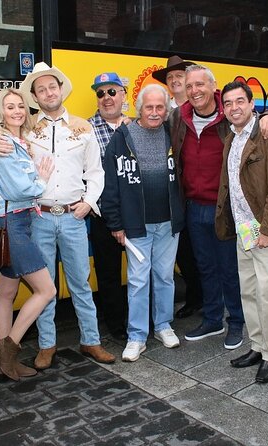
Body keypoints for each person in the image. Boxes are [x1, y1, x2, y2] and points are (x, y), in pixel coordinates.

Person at [0, 62, 115, 368]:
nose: (47, 92)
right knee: (45, 287)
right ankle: (47, 345)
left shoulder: (84, 128)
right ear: (36, 97)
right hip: (37, 218)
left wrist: (89, 202)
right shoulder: (27, 130)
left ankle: (91, 341)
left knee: (80, 282)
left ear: (60, 91)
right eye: (40, 89)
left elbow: (96, 173)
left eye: (51, 87)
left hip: (73, 216)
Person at [170, 64, 268, 350]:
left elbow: (259, 121)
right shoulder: (178, 117)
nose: (194, 91)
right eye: (189, 86)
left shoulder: (228, 118)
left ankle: (236, 322)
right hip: (194, 206)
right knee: (205, 267)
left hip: (226, 209)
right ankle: (212, 319)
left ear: (213, 87)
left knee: (231, 270)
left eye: (200, 85)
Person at [215, 81, 268, 384]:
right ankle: (258, 347)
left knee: (267, 295)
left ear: (251, 104)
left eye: (239, 102)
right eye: (228, 104)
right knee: (248, 292)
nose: (234, 108)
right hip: (243, 230)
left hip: (266, 233)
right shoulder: (231, 139)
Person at [101, 84, 184, 362]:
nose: (154, 112)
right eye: (149, 107)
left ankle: (162, 326)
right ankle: (137, 336)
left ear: (166, 109)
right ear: (139, 108)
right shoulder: (122, 137)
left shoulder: (173, 134)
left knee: (164, 276)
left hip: (168, 223)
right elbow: (110, 183)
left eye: (160, 107)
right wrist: (115, 222)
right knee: (137, 280)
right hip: (136, 224)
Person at [0, 89, 57, 381]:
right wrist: (42, 180)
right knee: (46, 290)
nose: (16, 111)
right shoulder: (3, 144)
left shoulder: (16, 143)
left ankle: (4, 361)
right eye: (9, 107)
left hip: (13, 221)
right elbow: (19, 189)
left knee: (6, 292)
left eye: (20, 106)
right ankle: (9, 349)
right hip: (12, 223)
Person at [152, 55, 203, 319]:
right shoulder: (167, 113)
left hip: (201, 190)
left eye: (179, 77)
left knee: (202, 251)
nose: (174, 81)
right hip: (178, 191)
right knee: (184, 250)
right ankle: (197, 297)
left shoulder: (203, 107)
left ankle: (207, 299)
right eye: (170, 78)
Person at [87, 72, 130, 341]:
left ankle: (144, 321)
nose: (106, 98)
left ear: (123, 95)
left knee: (142, 271)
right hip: (103, 214)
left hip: (137, 214)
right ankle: (116, 327)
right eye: (100, 93)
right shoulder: (84, 129)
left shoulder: (137, 126)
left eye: (112, 92)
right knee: (108, 274)